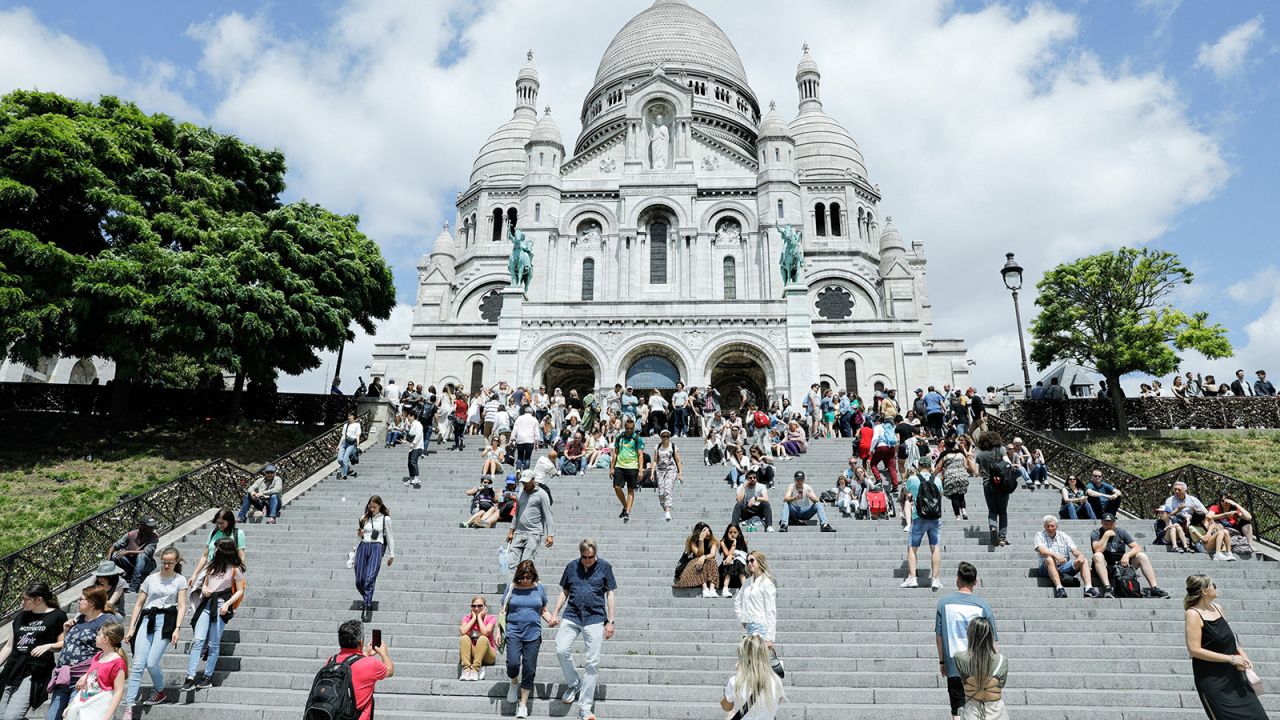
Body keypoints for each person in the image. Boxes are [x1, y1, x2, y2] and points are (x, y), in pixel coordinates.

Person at [1183, 574, 1267, 719]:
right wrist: (1231, 658)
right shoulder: (1193, 614)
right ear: (1204, 591)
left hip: (1235, 677)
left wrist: (1242, 654)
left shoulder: (1218, 607)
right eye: (1213, 585)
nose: (1216, 587)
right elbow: (1194, 650)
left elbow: (1230, 637)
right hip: (1214, 681)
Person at [551, 539, 617, 720]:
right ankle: (574, 683)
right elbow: (564, 591)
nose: (588, 560)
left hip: (595, 617)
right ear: (580, 554)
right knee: (561, 649)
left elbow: (610, 594)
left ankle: (585, 707)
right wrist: (555, 613)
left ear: (596, 554)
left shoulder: (604, 567)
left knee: (592, 662)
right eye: (584, 557)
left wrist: (610, 621)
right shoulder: (572, 566)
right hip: (572, 614)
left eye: (591, 557)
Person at [121, 547, 187, 717]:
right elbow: (138, 604)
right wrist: (131, 628)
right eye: (164, 562)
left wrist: (178, 629)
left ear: (176, 562)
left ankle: (159, 690)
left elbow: (181, 606)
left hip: (166, 621)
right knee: (137, 665)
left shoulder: (180, 580)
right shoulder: (151, 579)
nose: (166, 565)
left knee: (151, 662)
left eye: (170, 563)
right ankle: (129, 705)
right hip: (147, 618)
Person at [45, 586, 121, 720]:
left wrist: (88, 675)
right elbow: (71, 645)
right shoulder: (79, 619)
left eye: (81, 599)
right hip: (64, 677)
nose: (79, 602)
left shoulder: (107, 621)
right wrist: (67, 631)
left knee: (74, 716)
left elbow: (110, 652)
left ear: (91, 603)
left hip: (84, 679)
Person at [182, 537, 246, 692]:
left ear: (224, 550)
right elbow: (204, 584)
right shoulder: (211, 566)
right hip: (206, 603)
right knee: (198, 640)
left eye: (217, 548)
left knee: (213, 643)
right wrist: (204, 589)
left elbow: (240, 590)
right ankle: (190, 676)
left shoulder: (235, 569)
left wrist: (227, 604)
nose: (214, 550)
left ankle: (207, 676)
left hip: (220, 605)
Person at [936, 562, 997, 720]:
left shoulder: (944, 603)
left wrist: (942, 662)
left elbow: (939, 636)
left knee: (957, 709)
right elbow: (992, 641)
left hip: (954, 664)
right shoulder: (983, 605)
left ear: (957, 580)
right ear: (976, 582)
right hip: (979, 665)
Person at [0, 583, 68, 720]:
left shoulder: (57, 616)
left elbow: (64, 642)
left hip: (34, 670)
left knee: (11, 717)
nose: (22, 602)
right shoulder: (21, 616)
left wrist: (48, 646)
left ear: (39, 600)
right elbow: (9, 646)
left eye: (26, 599)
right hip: (12, 667)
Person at [504, 560, 555, 720]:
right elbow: (503, 610)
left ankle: (523, 705)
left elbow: (543, 610)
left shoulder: (539, 587)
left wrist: (550, 619)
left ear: (533, 575)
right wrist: (498, 632)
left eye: (529, 577)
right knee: (512, 664)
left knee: (529, 669)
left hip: (533, 634)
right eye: (523, 577)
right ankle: (513, 682)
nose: (525, 580)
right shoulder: (511, 587)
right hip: (513, 632)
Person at [1089, 513, 1170, 598]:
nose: (1108, 526)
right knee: (1097, 555)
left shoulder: (1121, 532)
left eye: (1111, 524)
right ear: (1101, 523)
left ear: (1115, 523)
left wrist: (1127, 555)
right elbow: (1097, 550)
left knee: (1141, 556)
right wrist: (1106, 535)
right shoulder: (1096, 533)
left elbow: (1138, 548)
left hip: (1120, 567)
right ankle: (1108, 589)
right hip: (1104, 567)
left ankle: (1154, 588)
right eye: (1106, 524)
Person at [326, 619, 394, 720]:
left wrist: (366, 653)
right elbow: (389, 671)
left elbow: (349, 661)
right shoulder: (371, 664)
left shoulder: (331, 661)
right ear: (361, 642)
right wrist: (383, 653)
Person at [61, 621, 127, 720]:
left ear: (105, 639)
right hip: (84, 704)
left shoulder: (118, 662)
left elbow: (119, 691)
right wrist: (72, 705)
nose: (96, 636)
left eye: (99, 634)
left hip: (98, 708)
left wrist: (107, 716)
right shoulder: (98, 656)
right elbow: (89, 683)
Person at [952, 616, 1009, 720]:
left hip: (972, 712)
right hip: (996, 712)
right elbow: (1001, 684)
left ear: (970, 635)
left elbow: (963, 679)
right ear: (991, 635)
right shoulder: (1002, 660)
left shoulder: (959, 657)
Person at [719, 634, 786, 719]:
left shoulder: (735, 682)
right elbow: (779, 700)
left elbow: (726, 707)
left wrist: (741, 672)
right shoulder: (775, 680)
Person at [1035, 516, 1099, 599]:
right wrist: (1055, 555)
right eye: (1047, 526)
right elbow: (1042, 550)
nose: (1050, 528)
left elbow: (1074, 550)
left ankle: (1088, 588)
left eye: (1052, 526)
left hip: (1063, 567)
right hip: (1045, 568)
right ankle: (1059, 588)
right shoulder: (1039, 535)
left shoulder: (1063, 535)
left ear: (1056, 526)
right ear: (1044, 526)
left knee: (1083, 560)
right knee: (1049, 559)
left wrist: (1079, 555)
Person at [901, 467, 944, 590]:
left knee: (912, 548)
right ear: (930, 467)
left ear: (919, 466)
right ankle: (935, 579)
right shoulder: (937, 479)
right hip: (935, 518)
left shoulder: (913, 478)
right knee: (935, 547)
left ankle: (913, 578)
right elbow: (941, 493)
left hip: (918, 517)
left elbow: (906, 492)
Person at [355, 496, 395, 622]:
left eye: (374, 507)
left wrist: (392, 554)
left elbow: (390, 537)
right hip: (363, 547)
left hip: (377, 547)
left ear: (380, 506)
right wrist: (360, 535)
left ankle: (367, 606)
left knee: (370, 578)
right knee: (359, 580)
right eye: (370, 506)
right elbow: (360, 537)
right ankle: (368, 597)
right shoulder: (363, 518)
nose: (372, 509)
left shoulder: (385, 519)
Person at [507, 470, 555, 569]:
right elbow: (517, 513)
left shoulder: (542, 494)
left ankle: (527, 583)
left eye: (527, 482)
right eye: (523, 482)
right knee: (512, 564)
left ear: (533, 480)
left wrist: (550, 535)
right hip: (519, 532)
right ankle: (512, 584)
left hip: (534, 533)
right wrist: (511, 531)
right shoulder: (520, 492)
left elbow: (548, 515)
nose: (525, 485)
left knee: (526, 564)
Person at [107, 517, 160, 605]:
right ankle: (122, 575)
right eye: (150, 527)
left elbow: (146, 552)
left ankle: (133, 587)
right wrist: (109, 559)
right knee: (114, 555)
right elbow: (114, 546)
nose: (152, 529)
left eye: (153, 527)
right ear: (142, 526)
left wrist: (127, 552)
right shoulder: (131, 534)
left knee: (141, 556)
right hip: (132, 563)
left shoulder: (154, 537)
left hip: (147, 564)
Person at [188, 509, 246, 587]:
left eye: (222, 523)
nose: (219, 525)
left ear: (230, 521)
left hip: (228, 570)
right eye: (217, 523)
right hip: (211, 569)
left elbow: (241, 556)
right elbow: (205, 556)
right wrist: (194, 574)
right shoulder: (213, 533)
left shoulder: (238, 533)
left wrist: (237, 572)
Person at [974, 431, 1010, 547]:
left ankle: (993, 528)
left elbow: (975, 472)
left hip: (987, 483)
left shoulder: (980, 454)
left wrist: (985, 474)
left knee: (992, 510)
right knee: (1003, 512)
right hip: (1001, 484)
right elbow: (1007, 463)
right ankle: (1002, 538)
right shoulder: (1001, 449)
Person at [734, 551, 776, 646]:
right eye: (747, 561)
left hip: (761, 628)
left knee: (758, 660)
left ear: (760, 562)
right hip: (749, 628)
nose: (749, 563)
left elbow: (771, 611)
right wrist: (742, 618)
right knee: (749, 659)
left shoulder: (767, 583)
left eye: (752, 560)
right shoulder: (747, 582)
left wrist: (770, 637)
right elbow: (737, 601)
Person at [673, 522, 721, 597]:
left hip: (700, 570)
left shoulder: (713, 541)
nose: (707, 533)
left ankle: (712, 589)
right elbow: (699, 554)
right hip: (686, 570)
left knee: (712, 560)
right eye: (704, 531)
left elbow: (712, 555)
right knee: (698, 559)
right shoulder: (692, 540)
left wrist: (704, 557)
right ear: (699, 533)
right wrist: (701, 539)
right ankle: (705, 589)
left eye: (708, 530)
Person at [610, 417, 644, 522]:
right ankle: (625, 506)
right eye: (627, 428)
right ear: (625, 427)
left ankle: (627, 511)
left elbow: (640, 455)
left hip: (632, 466)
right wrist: (612, 467)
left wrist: (641, 469)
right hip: (620, 465)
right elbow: (615, 452)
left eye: (631, 428)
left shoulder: (637, 438)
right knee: (616, 487)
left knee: (630, 489)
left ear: (634, 428)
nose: (629, 430)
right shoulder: (620, 437)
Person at [458, 595, 499, 681]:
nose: (476, 608)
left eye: (480, 606)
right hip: (473, 653)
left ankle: (475, 669)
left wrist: (479, 617)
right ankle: (466, 669)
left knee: (483, 638)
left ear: (485, 607)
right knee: (464, 638)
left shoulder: (491, 618)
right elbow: (462, 631)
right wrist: (473, 619)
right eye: (474, 606)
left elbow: (485, 632)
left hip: (488, 655)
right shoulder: (467, 618)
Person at [935, 438, 975, 520]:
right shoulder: (960, 453)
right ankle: (964, 511)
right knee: (961, 495)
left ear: (945, 445)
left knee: (954, 496)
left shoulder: (944, 454)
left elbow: (939, 467)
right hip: (962, 476)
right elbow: (966, 466)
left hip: (950, 477)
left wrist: (933, 475)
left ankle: (957, 516)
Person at [652, 430, 683, 522]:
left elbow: (678, 461)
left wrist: (680, 473)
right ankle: (665, 511)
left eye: (667, 436)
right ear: (661, 437)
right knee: (661, 493)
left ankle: (668, 510)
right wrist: (651, 473)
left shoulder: (673, 446)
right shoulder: (657, 447)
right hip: (660, 471)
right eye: (663, 436)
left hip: (671, 470)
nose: (665, 438)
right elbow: (654, 461)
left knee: (667, 489)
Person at [718, 523, 749, 598]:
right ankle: (725, 588)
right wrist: (734, 544)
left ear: (739, 532)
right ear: (727, 532)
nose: (732, 534)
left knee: (737, 561)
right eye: (730, 532)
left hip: (738, 572)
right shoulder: (723, 541)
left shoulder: (743, 541)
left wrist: (731, 556)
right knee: (731, 561)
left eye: (735, 532)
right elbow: (728, 554)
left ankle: (745, 588)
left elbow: (743, 556)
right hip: (725, 569)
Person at [338, 412, 362, 480]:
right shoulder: (346, 425)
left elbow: (357, 435)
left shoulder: (357, 425)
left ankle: (344, 475)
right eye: (348, 416)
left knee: (345, 459)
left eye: (350, 416)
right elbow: (343, 435)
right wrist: (338, 445)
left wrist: (358, 444)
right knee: (340, 459)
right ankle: (350, 470)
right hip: (344, 443)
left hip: (351, 444)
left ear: (354, 417)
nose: (349, 417)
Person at [405, 409, 424, 488]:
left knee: (413, 461)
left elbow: (418, 434)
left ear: (412, 416)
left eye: (408, 416)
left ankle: (416, 477)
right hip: (413, 447)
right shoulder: (413, 425)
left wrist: (413, 443)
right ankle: (411, 477)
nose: (408, 418)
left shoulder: (417, 424)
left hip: (417, 446)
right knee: (409, 463)